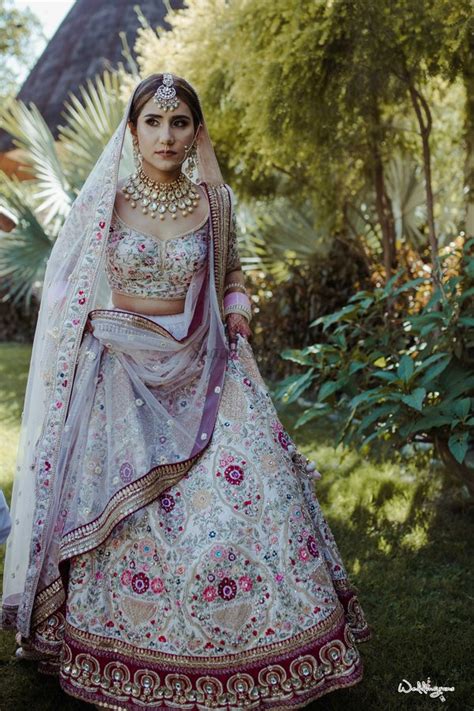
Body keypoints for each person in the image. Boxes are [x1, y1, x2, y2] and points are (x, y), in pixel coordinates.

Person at [1, 73, 371, 709]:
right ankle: (115, 641)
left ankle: (256, 641)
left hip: (206, 366)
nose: (166, 135)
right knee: (130, 518)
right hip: (119, 369)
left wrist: (237, 312)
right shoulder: (107, 204)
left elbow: (231, 273)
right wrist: (87, 333)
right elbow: (67, 287)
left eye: (179, 123)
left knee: (243, 499)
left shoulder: (216, 202)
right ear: (133, 129)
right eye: (153, 122)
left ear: (196, 131)